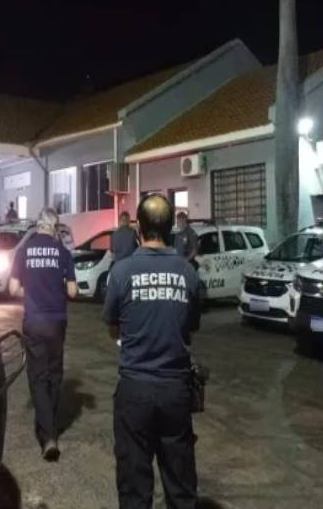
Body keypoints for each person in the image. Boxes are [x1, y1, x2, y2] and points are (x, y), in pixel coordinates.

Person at [103, 194, 202, 509]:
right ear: (171, 228)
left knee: (134, 486)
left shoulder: (121, 272)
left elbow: (113, 328)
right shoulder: (188, 273)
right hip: (175, 390)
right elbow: (191, 328)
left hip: (135, 389)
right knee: (180, 485)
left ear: (138, 230)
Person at [9, 208, 78, 460]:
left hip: (34, 321)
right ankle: (49, 429)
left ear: (38, 225)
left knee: (38, 378)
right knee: (54, 374)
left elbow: (13, 288)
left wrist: (31, 292)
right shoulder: (63, 252)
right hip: (56, 321)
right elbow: (72, 292)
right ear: (54, 227)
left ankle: (48, 435)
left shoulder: (24, 251)